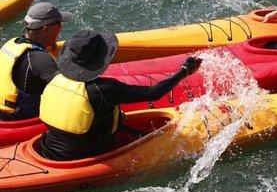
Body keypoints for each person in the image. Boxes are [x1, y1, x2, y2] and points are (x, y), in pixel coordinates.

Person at [39, 29, 202, 161]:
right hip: (86, 155)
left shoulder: (55, 77)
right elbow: (155, 93)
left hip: (47, 148)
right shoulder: (104, 89)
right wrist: (185, 71)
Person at [0, 2, 70, 120]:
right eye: (59, 24)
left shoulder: (11, 43)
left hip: (4, 114)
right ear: (46, 29)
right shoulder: (40, 59)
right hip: (20, 121)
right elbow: (66, 92)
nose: (61, 27)